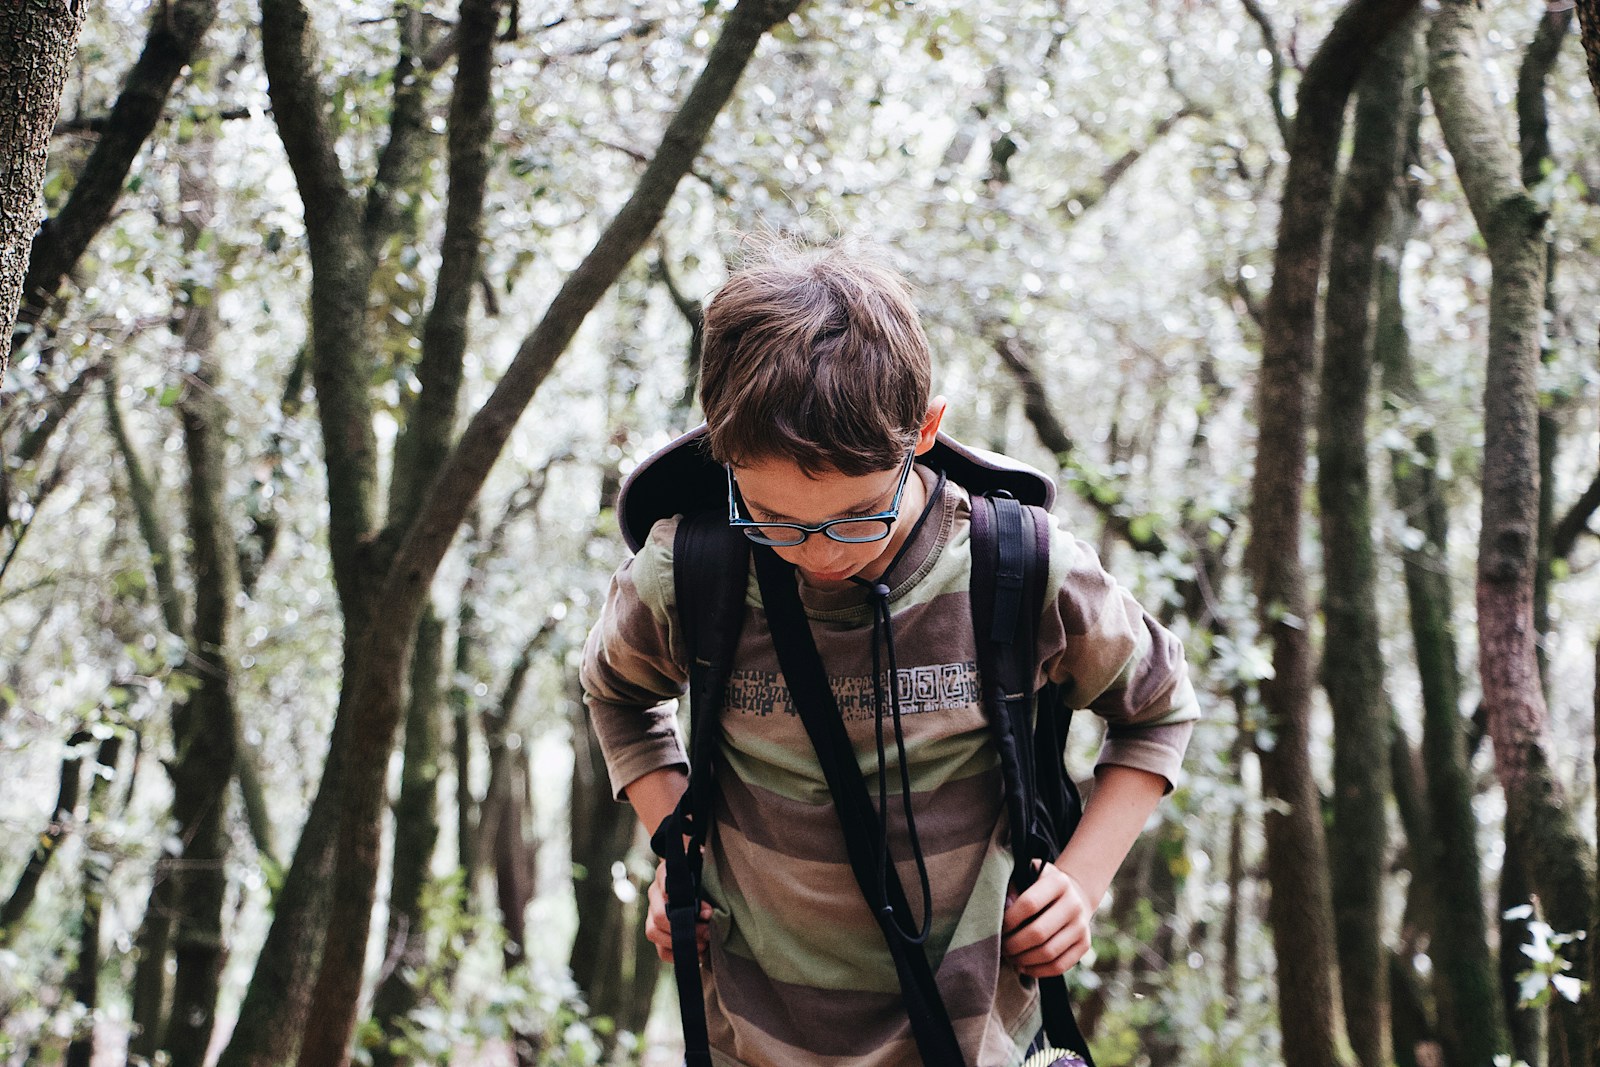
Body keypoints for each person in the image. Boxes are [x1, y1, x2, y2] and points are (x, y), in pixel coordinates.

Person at [581, 241, 1199, 1066]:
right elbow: (615, 692)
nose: (819, 554)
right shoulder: (690, 570)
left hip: (971, 1039)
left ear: (926, 429)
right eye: (773, 516)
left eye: (855, 515)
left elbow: (1157, 704)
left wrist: (1080, 884)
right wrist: (680, 846)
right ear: (722, 455)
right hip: (754, 1042)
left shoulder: (1017, 566)